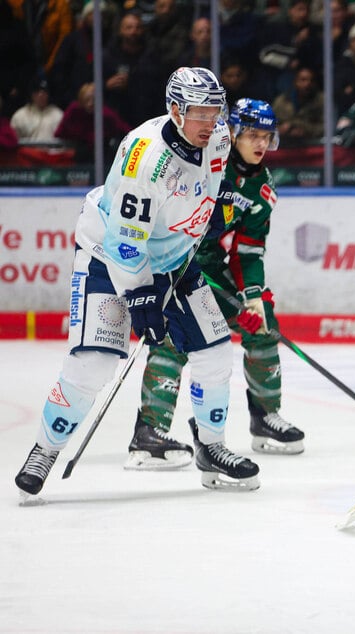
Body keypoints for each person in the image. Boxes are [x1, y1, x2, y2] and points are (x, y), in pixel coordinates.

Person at [14, 67, 260, 500]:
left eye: (215, 110)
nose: (210, 121)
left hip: (175, 260)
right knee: (95, 362)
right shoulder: (144, 157)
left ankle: (212, 446)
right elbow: (125, 244)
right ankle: (45, 449)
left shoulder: (219, 137)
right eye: (199, 112)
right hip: (108, 258)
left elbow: (208, 186)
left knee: (215, 351)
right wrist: (143, 296)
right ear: (174, 110)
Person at [127, 98, 305, 470]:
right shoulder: (206, 160)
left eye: (266, 136)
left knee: (263, 323)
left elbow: (250, 249)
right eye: (252, 134)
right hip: (169, 260)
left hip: (209, 268)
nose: (260, 144)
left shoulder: (261, 187)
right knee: (172, 338)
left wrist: (252, 299)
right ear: (234, 133)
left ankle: (265, 417)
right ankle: (149, 432)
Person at [10, 77, 63, 143]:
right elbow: (13, 141)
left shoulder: (58, 114)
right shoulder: (20, 115)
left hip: (53, 152)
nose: (40, 95)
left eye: (44, 91)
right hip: (28, 152)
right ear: (31, 94)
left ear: (49, 94)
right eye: (36, 91)